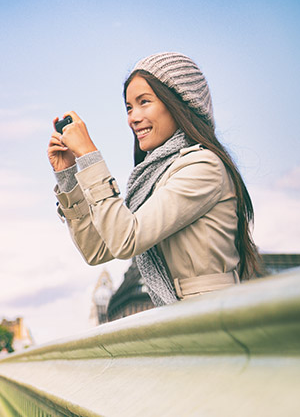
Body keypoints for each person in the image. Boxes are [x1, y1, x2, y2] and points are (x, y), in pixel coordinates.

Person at [48, 52, 262, 305]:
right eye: (129, 107)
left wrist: (89, 156)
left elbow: (127, 239)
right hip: (183, 318)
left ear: (180, 104)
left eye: (144, 102)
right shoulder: (155, 177)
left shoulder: (204, 166)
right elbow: (97, 250)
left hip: (213, 318)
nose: (133, 118)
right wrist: (69, 177)